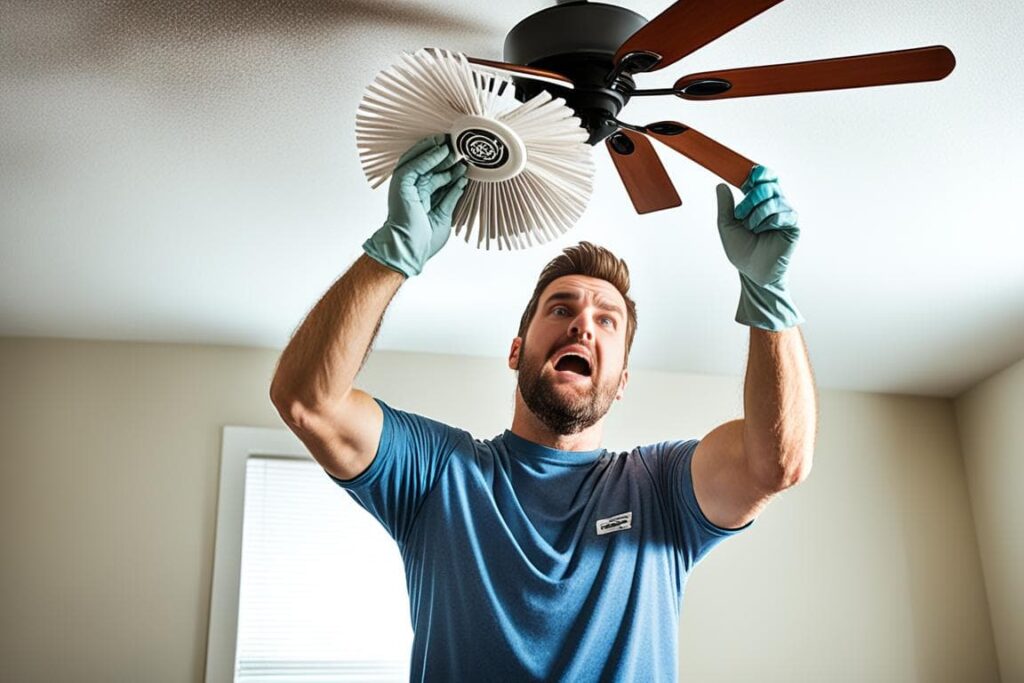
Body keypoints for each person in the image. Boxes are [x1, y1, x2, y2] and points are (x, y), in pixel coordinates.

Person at [270, 134, 817, 681]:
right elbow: (308, 402)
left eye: (607, 320)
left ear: (621, 380)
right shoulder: (439, 473)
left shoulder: (660, 487)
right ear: (516, 350)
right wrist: (393, 251)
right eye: (562, 308)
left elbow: (776, 463)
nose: (583, 323)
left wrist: (768, 295)